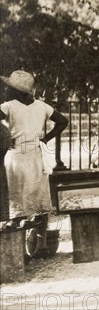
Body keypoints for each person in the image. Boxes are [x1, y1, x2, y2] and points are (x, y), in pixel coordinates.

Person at [0, 70, 68, 254]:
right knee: (39, 198)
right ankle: (41, 242)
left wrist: (6, 137)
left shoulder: (8, 106)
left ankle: (21, 248)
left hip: (15, 156)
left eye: (9, 88)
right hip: (36, 154)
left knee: (17, 198)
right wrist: (45, 138)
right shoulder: (42, 106)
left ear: (17, 91)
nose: (6, 91)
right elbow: (63, 121)